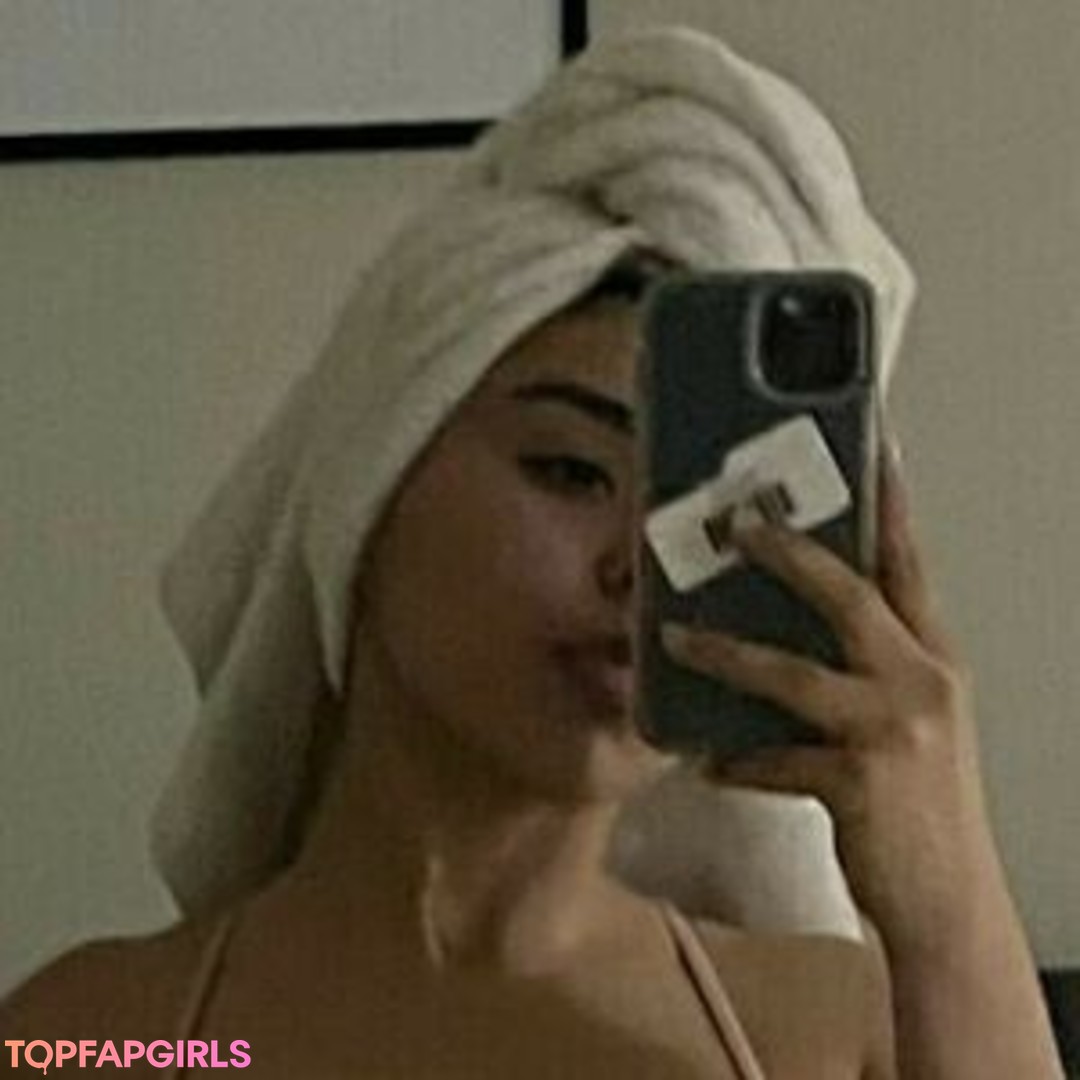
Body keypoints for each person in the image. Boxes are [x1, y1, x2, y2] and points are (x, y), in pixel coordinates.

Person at [1, 26, 1064, 1079]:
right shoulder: (124, 1036)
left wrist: (951, 903)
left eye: (716, 515)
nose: (643, 567)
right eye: (570, 471)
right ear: (368, 484)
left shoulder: (820, 1036)